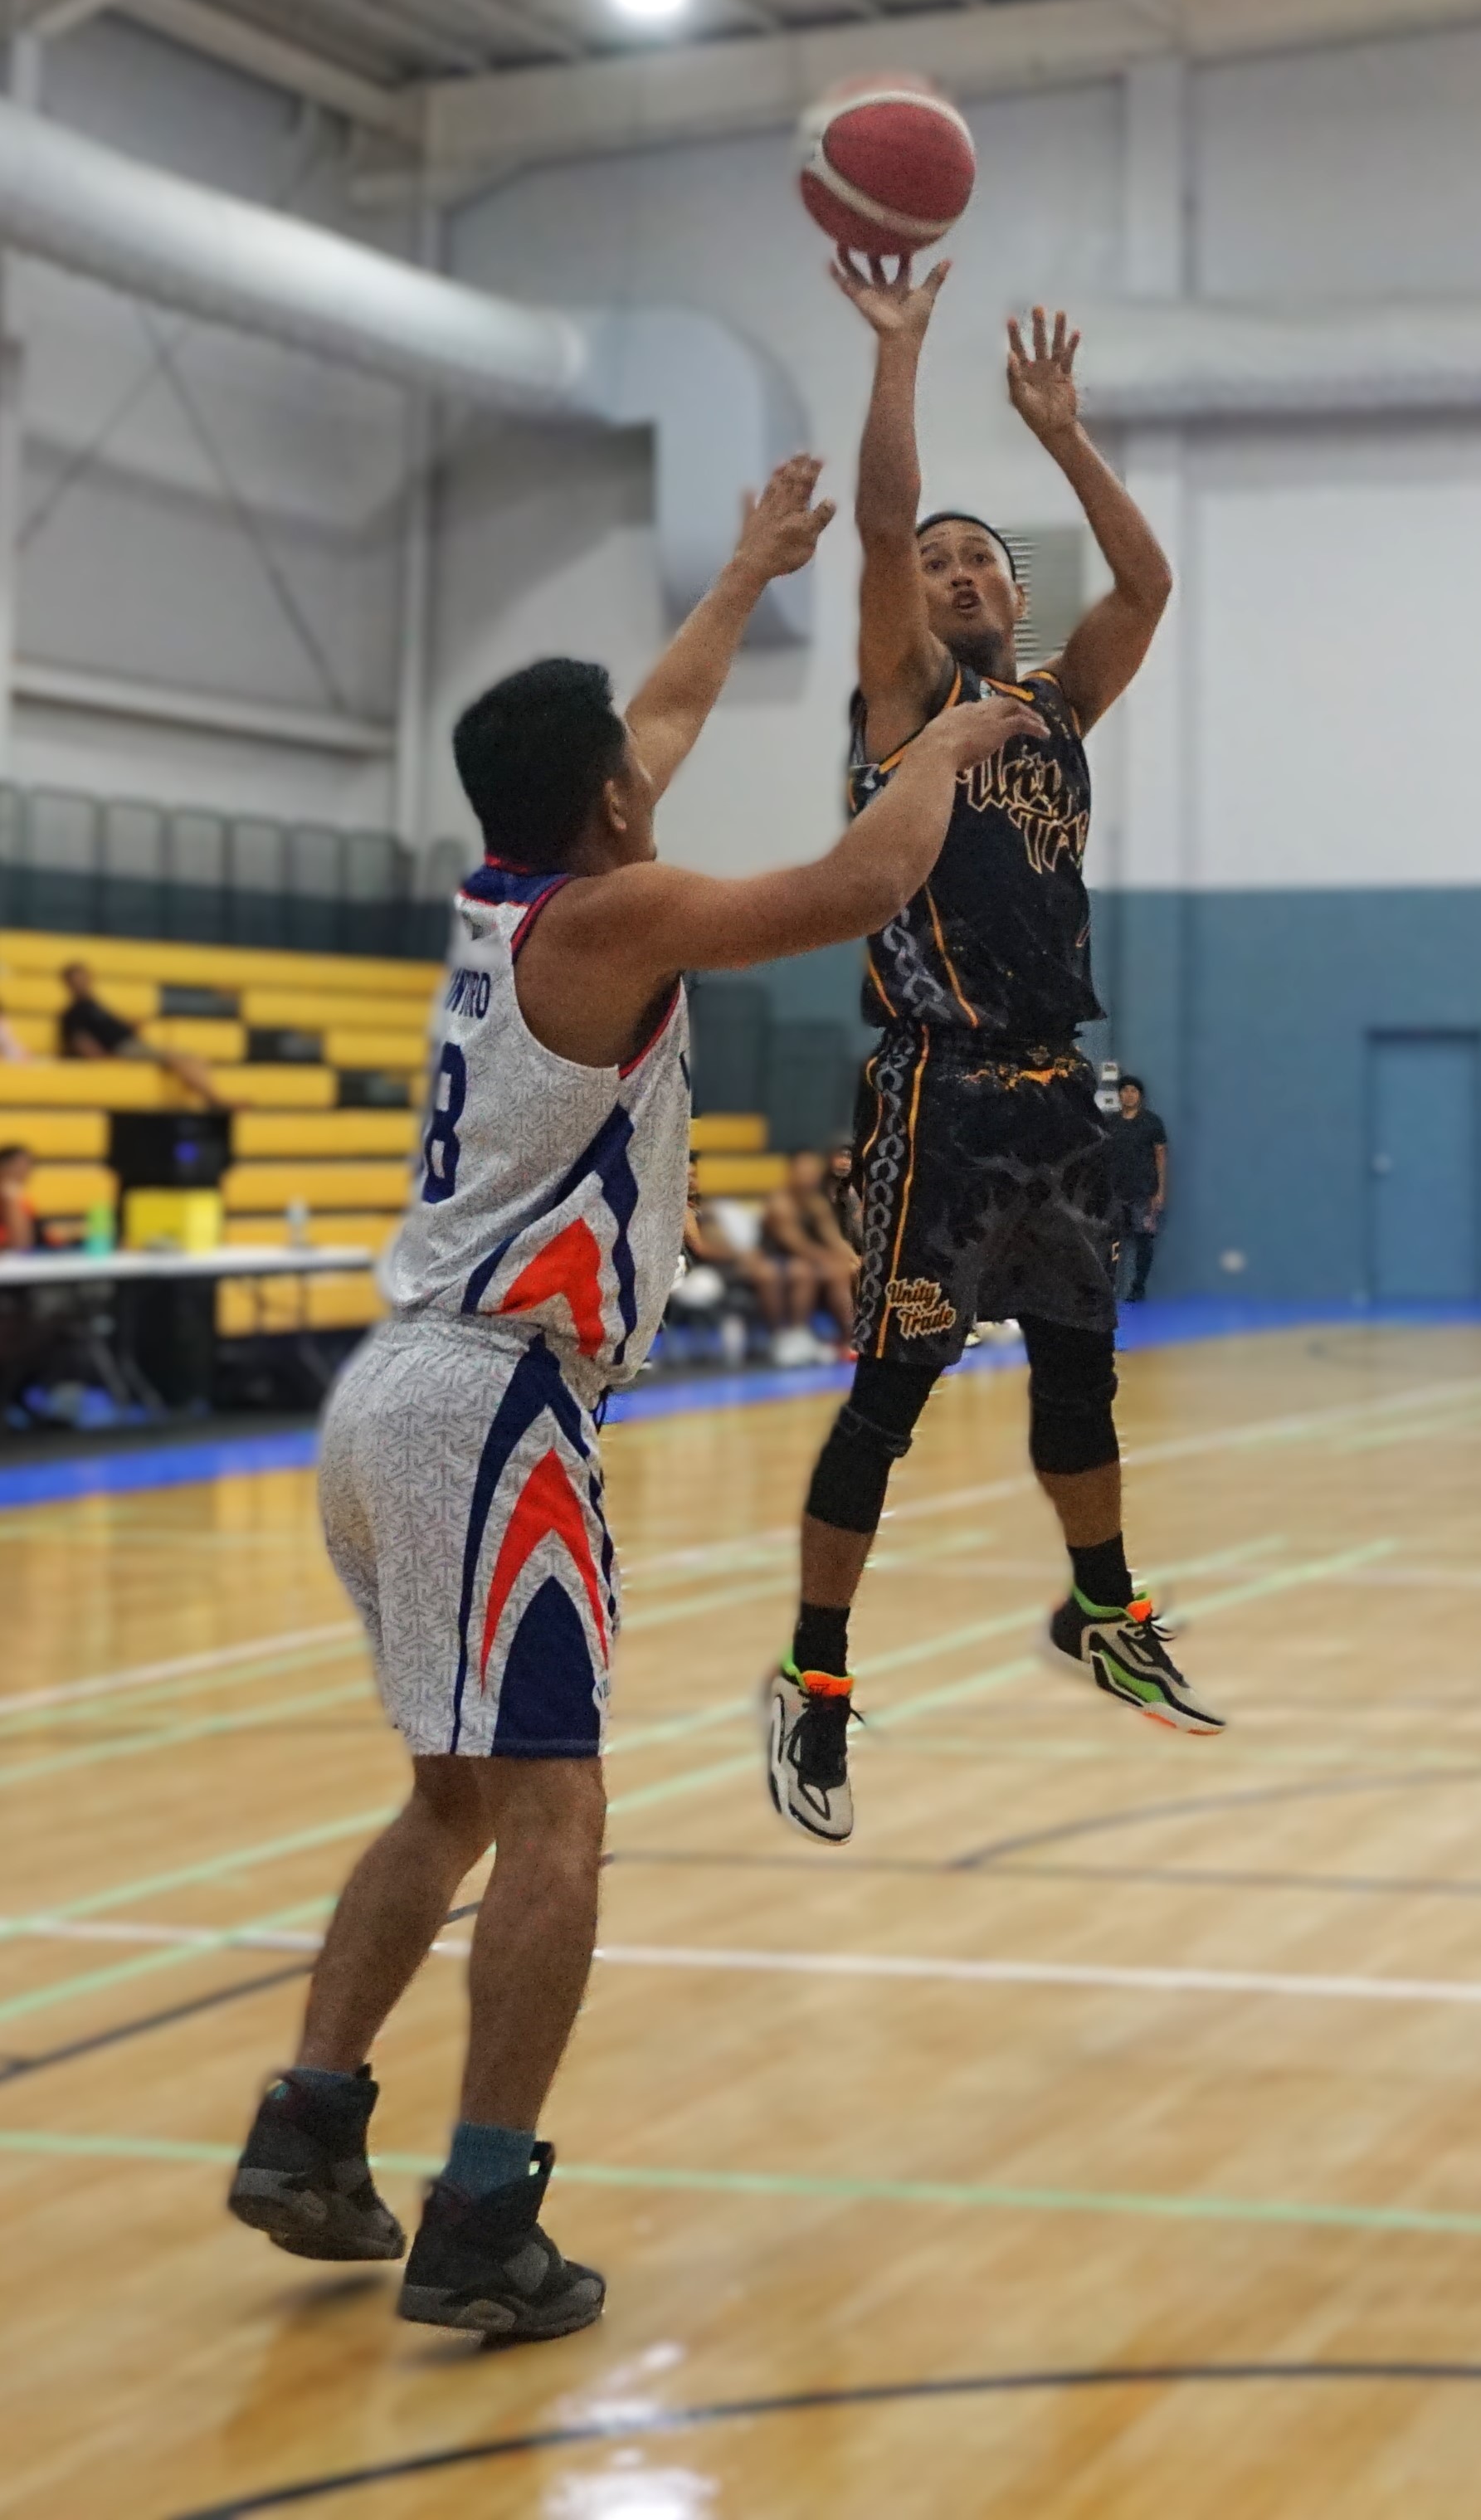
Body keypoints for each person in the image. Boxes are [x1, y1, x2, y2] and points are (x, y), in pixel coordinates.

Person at [222, 458, 1042, 2346]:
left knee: (448, 1799)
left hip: (396, 1395)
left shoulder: (516, 885)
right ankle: (484, 2208)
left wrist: (751, 573)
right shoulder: (614, 917)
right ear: (609, 804)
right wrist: (949, 733)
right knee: (559, 1812)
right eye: (632, 770)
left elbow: (645, 722)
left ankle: (311, 2123)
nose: (649, 768)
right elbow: (856, 883)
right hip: (499, 1401)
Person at [770, 266, 1206, 1855]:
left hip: (1051, 1088)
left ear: (1013, 596)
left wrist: (1068, 438)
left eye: (979, 561)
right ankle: (815, 1675)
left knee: (1081, 1375)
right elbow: (880, 527)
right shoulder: (906, 702)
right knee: (890, 1392)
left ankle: (1099, 1606)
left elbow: (1147, 586)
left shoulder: (1052, 709)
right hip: (934, 1086)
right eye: (939, 561)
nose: (953, 572)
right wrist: (901, 355)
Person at [59, 960, 219, 1108]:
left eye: (83, 978)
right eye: (77, 980)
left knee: (192, 1058)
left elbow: (113, 1029)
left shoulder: (95, 1005)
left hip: (133, 1045)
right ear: (68, 984)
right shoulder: (73, 1013)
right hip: (124, 1049)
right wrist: (106, 1061)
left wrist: (131, 1027)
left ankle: (202, 1096)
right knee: (179, 1057)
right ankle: (214, 1099)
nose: (82, 983)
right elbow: (82, 1042)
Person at [680, 1189, 799, 1353]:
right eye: (690, 1175)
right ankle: (777, 1337)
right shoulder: (684, 1212)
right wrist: (740, 1256)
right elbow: (701, 1249)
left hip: (737, 1260)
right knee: (767, 1274)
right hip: (710, 1268)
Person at [762, 1147, 858, 1350]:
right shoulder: (779, 1202)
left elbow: (835, 1239)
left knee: (845, 1269)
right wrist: (829, 1258)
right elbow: (797, 1245)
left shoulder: (815, 1202)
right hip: (773, 1258)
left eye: (812, 1171)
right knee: (803, 1271)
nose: (809, 1176)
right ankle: (794, 1336)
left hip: (807, 1257)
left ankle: (850, 1334)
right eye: (804, 1171)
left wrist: (854, 1258)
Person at [1102, 1076, 1167, 1304]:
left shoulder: (1152, 1122)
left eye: (1133, 1091)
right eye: (1125, 1091)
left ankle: (1138, 1288)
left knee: (1144, 1239)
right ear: (1119, 1095)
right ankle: (1108, 1287)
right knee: (1109, 1240)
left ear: (1140, 1096)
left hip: (1143, 1191)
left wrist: (1160, 1191)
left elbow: (1160, 1157)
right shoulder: (1109, 1122)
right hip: (1114, 1192)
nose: (1129, 1095)